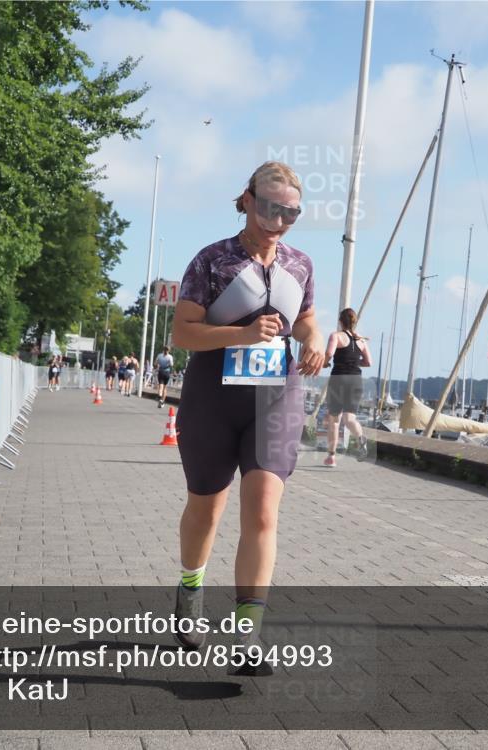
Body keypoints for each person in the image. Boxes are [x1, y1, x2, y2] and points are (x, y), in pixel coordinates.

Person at [171, 161, 325, 676]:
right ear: (248, 199)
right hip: (213, 395)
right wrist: (241, 334)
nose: (279, 218)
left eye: (291, 212)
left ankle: (247, 636)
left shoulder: (300, 263)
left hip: (275, 397)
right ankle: (190, 589)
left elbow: (304, 318)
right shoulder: (212, 260)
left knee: (262, 512)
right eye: (270, 207)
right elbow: (184, 333)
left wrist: (315, 341)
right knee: (206, 510)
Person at [322, 308, 372, 466]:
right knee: (350, 418)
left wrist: (324, 363)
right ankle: (360, 438)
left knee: (334, 420)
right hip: (356, 380)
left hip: (339, 379)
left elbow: (329, 353)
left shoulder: (336, 336)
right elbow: (368, 362)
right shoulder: (361, 341)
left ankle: (331, 457)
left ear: (340, 321)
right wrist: (355, 363)